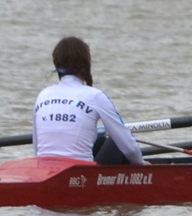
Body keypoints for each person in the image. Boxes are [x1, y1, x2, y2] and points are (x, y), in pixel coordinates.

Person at [33, 37, 146, 165]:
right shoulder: (95, 96)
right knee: (115, 142)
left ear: (56, 63)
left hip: (45, 170)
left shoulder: (42, 95)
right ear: (86, 63)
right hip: (80, 175)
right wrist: (143, 166)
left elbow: (37, 149)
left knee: (101, 139)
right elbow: (129, 147)